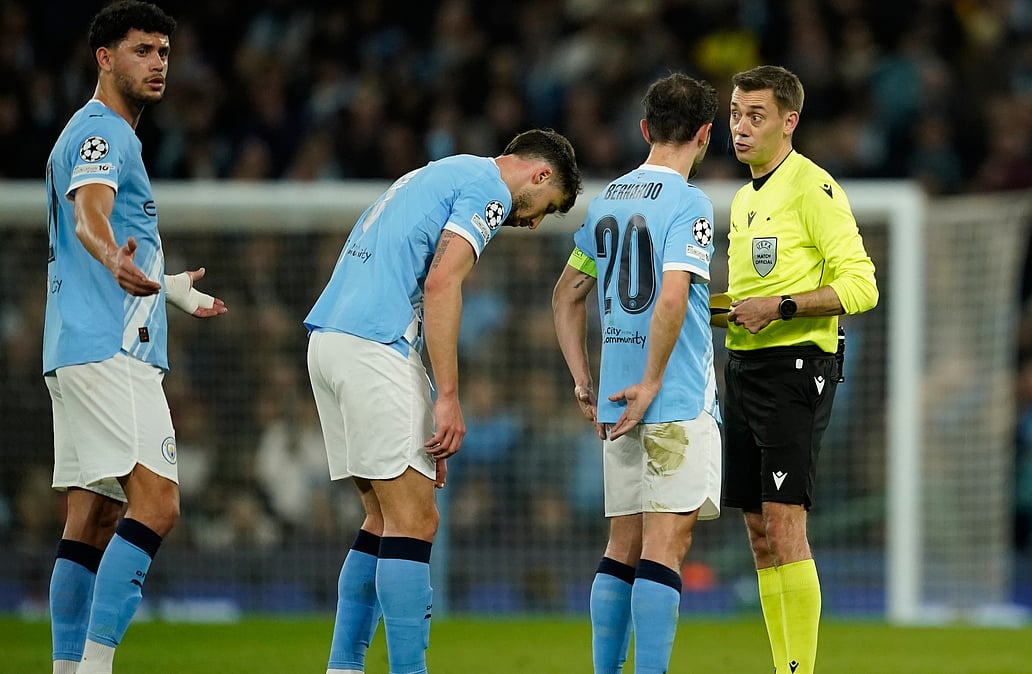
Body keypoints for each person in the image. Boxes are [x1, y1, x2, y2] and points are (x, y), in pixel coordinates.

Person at [304, 128, 581, 674]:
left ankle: (343, 667)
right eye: (543, 209)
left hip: (329, 340)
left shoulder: (444, 171)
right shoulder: (490, 188)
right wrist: (447, 398)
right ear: (540, 175)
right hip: (373, 346)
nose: (530, 223)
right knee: (416, 521)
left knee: (382, 521)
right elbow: (441, 284)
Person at [42, 3, 227, 673]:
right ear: (104, 57)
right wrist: (112, 257)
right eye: (142, 50)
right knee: (158, 503)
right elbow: (90, 213)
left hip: (76, 345)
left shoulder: (99, 133)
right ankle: (95, 667)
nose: (157, 63)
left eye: (164, 53)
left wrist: (166, 282)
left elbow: (103, 226)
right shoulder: (103, 134)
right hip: (109, 351)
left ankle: (69, 669)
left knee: (89, 520)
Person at [552, 72, 721, 674]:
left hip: (615, 403)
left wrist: (581, 378)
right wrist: (652, 379)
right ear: (705, 134)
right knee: (665, 548)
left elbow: (568, 292)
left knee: (621, 546)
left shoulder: (608, 201)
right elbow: (672, 294)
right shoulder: (690, 204)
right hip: (669, 398)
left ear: (646, 129)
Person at [722, 65, 879, 674]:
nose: (740, 127)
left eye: (755, 115)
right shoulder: (742, 197)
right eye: (735, 114)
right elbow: (755, 298)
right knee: (758, 532)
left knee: (786, 525)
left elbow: (861, 287)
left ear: (789, 122)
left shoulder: (813, 188)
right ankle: (782, 663)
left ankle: (800, 671)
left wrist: (782, 307)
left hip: (797, 366)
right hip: (744, 367)